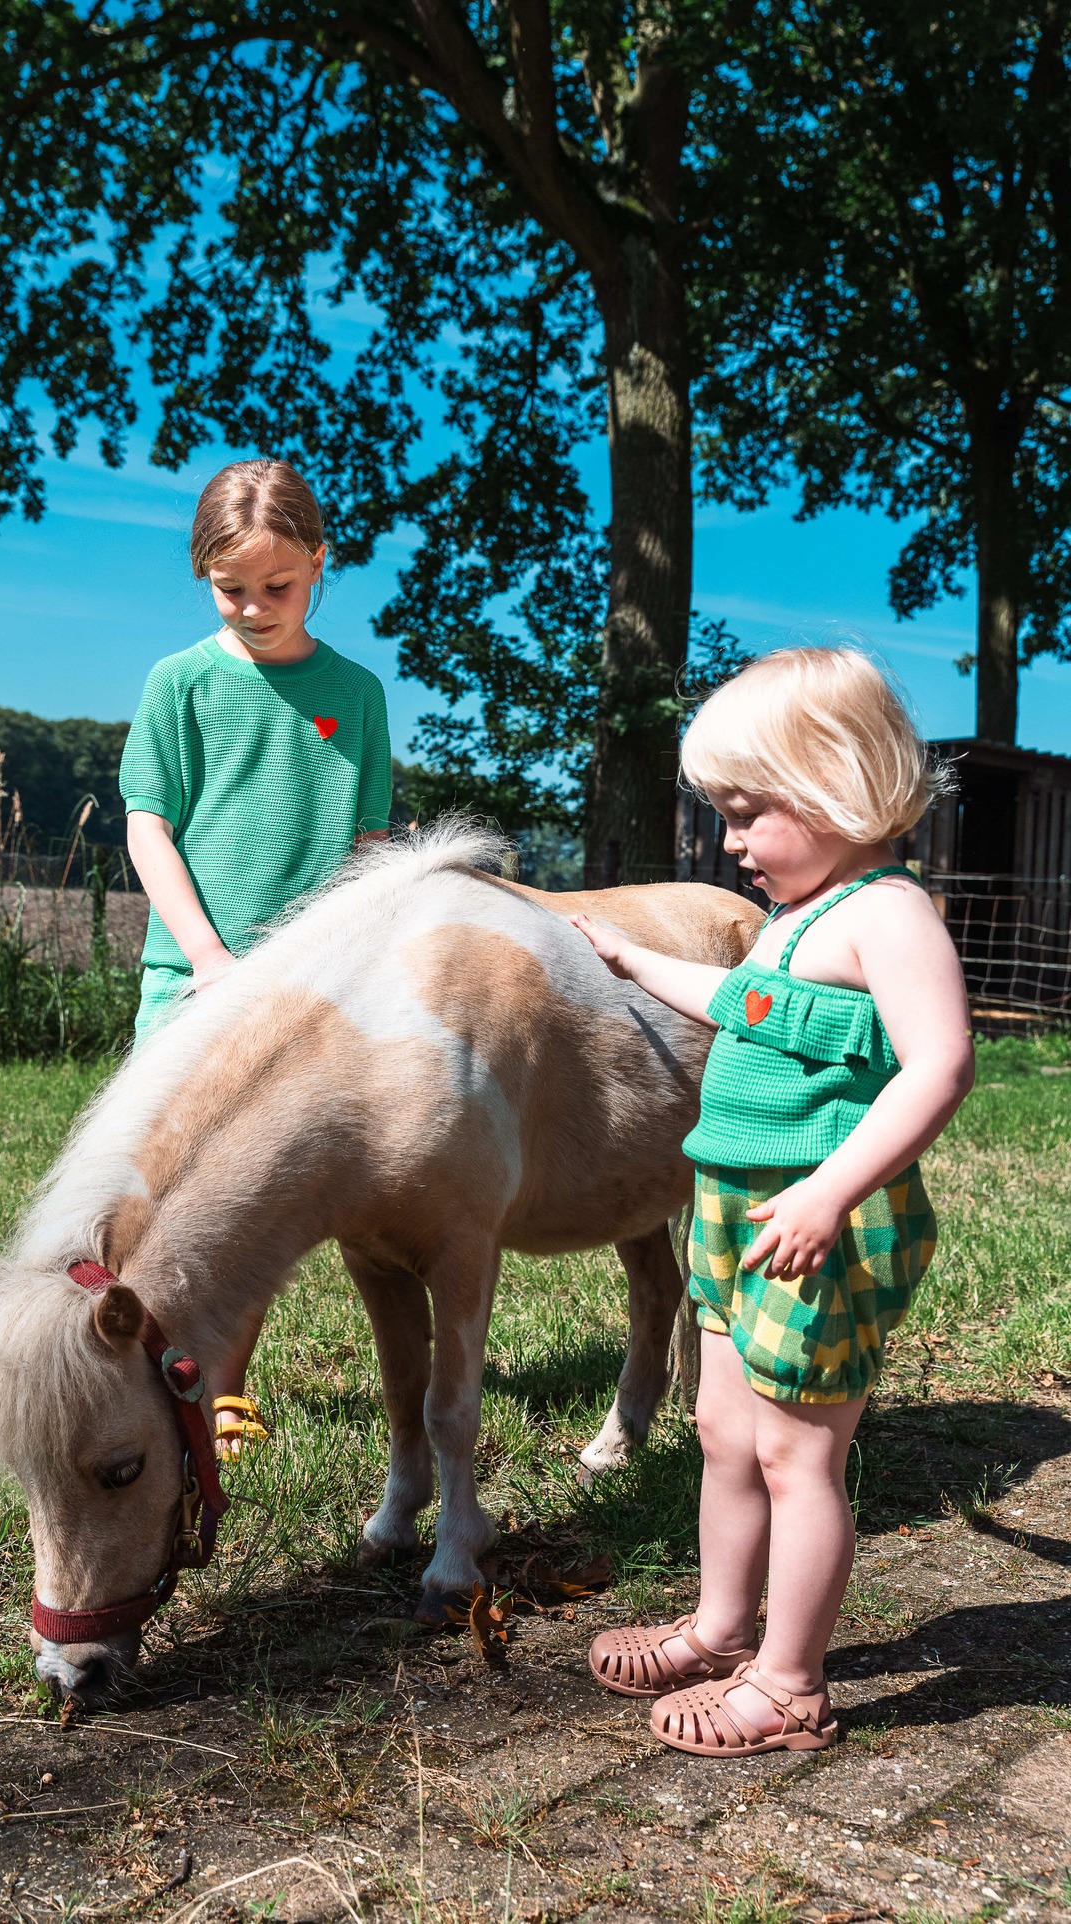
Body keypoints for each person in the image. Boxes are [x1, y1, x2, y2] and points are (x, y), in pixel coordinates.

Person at [572, 647, 973, 1756]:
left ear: (836, 786)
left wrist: (830, 1189)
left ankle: (789, 1681)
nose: (729, 844)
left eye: (748, 815)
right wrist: (625, 954)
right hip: (737, 1207)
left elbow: (937, 1066)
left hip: (822, 1222)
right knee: (718, 1427)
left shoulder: (886, 916)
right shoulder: (797, 918)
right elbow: (732, 999)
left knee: (799, 1454)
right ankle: (717, 1626)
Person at [120, 457, 392, 1453]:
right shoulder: (181, 683)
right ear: (202, 578)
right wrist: (204, 954)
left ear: (321, 564)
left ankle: (222, 1384)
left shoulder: (354, 694)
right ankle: (143, 1366)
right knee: (159, 1181)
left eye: (276, 586)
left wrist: (343, 957)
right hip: (190, 979)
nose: (252, 606)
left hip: (307, 988)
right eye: (230, 588)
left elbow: (369, 847)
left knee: (254, 1188)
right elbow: (149, 825)